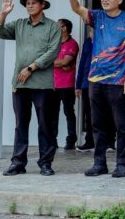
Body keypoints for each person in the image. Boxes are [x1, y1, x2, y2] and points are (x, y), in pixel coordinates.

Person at [67, 0, 125, 178]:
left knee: (121, 125)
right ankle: (99, 163)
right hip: (96, 80)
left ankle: (122, 164)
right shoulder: (97, 16)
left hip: (118, 80)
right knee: (98, 125)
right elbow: (76, 8)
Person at [0, 0, 61, 177]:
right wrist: (3, 13)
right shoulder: (20, 24)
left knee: (45, 125)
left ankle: (45, 163)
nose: (30, 6)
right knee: (20, 125)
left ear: (42, 5)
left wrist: (31, 68)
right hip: (20, 84)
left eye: (34, 2)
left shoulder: (52, 26)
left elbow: (52, 52)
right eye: (28, 3)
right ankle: (18, 163)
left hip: (43, 84)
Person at [53, 18, 79, 150]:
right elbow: (45, 58)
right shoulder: (53, 42)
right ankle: (52, 141)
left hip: (67, 84)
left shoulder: (72, 44)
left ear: (64, 28)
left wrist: (53, 63)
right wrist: (59, 63)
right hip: (53, 84)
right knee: (53, 113)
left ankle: (71, 141)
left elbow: (65, 62)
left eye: (57, 26)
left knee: (68, 112)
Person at [75, 26, 94, 152]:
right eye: (91, 30)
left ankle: (109, 141)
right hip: (87, 83)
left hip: (100, 82)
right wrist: (78, 85)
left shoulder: (104, 41)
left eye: (92, 30)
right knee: (88, 113)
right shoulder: (87, 43)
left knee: (104, 113)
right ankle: (89, 141)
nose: (91, 32)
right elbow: (82, 63)